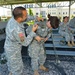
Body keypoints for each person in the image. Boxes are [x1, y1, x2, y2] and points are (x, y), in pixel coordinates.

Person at [4, 6, 42, 75]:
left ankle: (11, 72)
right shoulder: (17, 30)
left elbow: (26, 18)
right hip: (13, 51)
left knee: (11, 64)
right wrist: (33, 31)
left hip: (9, 46)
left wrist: (36, 18)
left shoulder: (14, 17)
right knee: (18, 68)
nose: (27, 16)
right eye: (25, 15)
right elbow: (25, 43)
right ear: (19, 18)